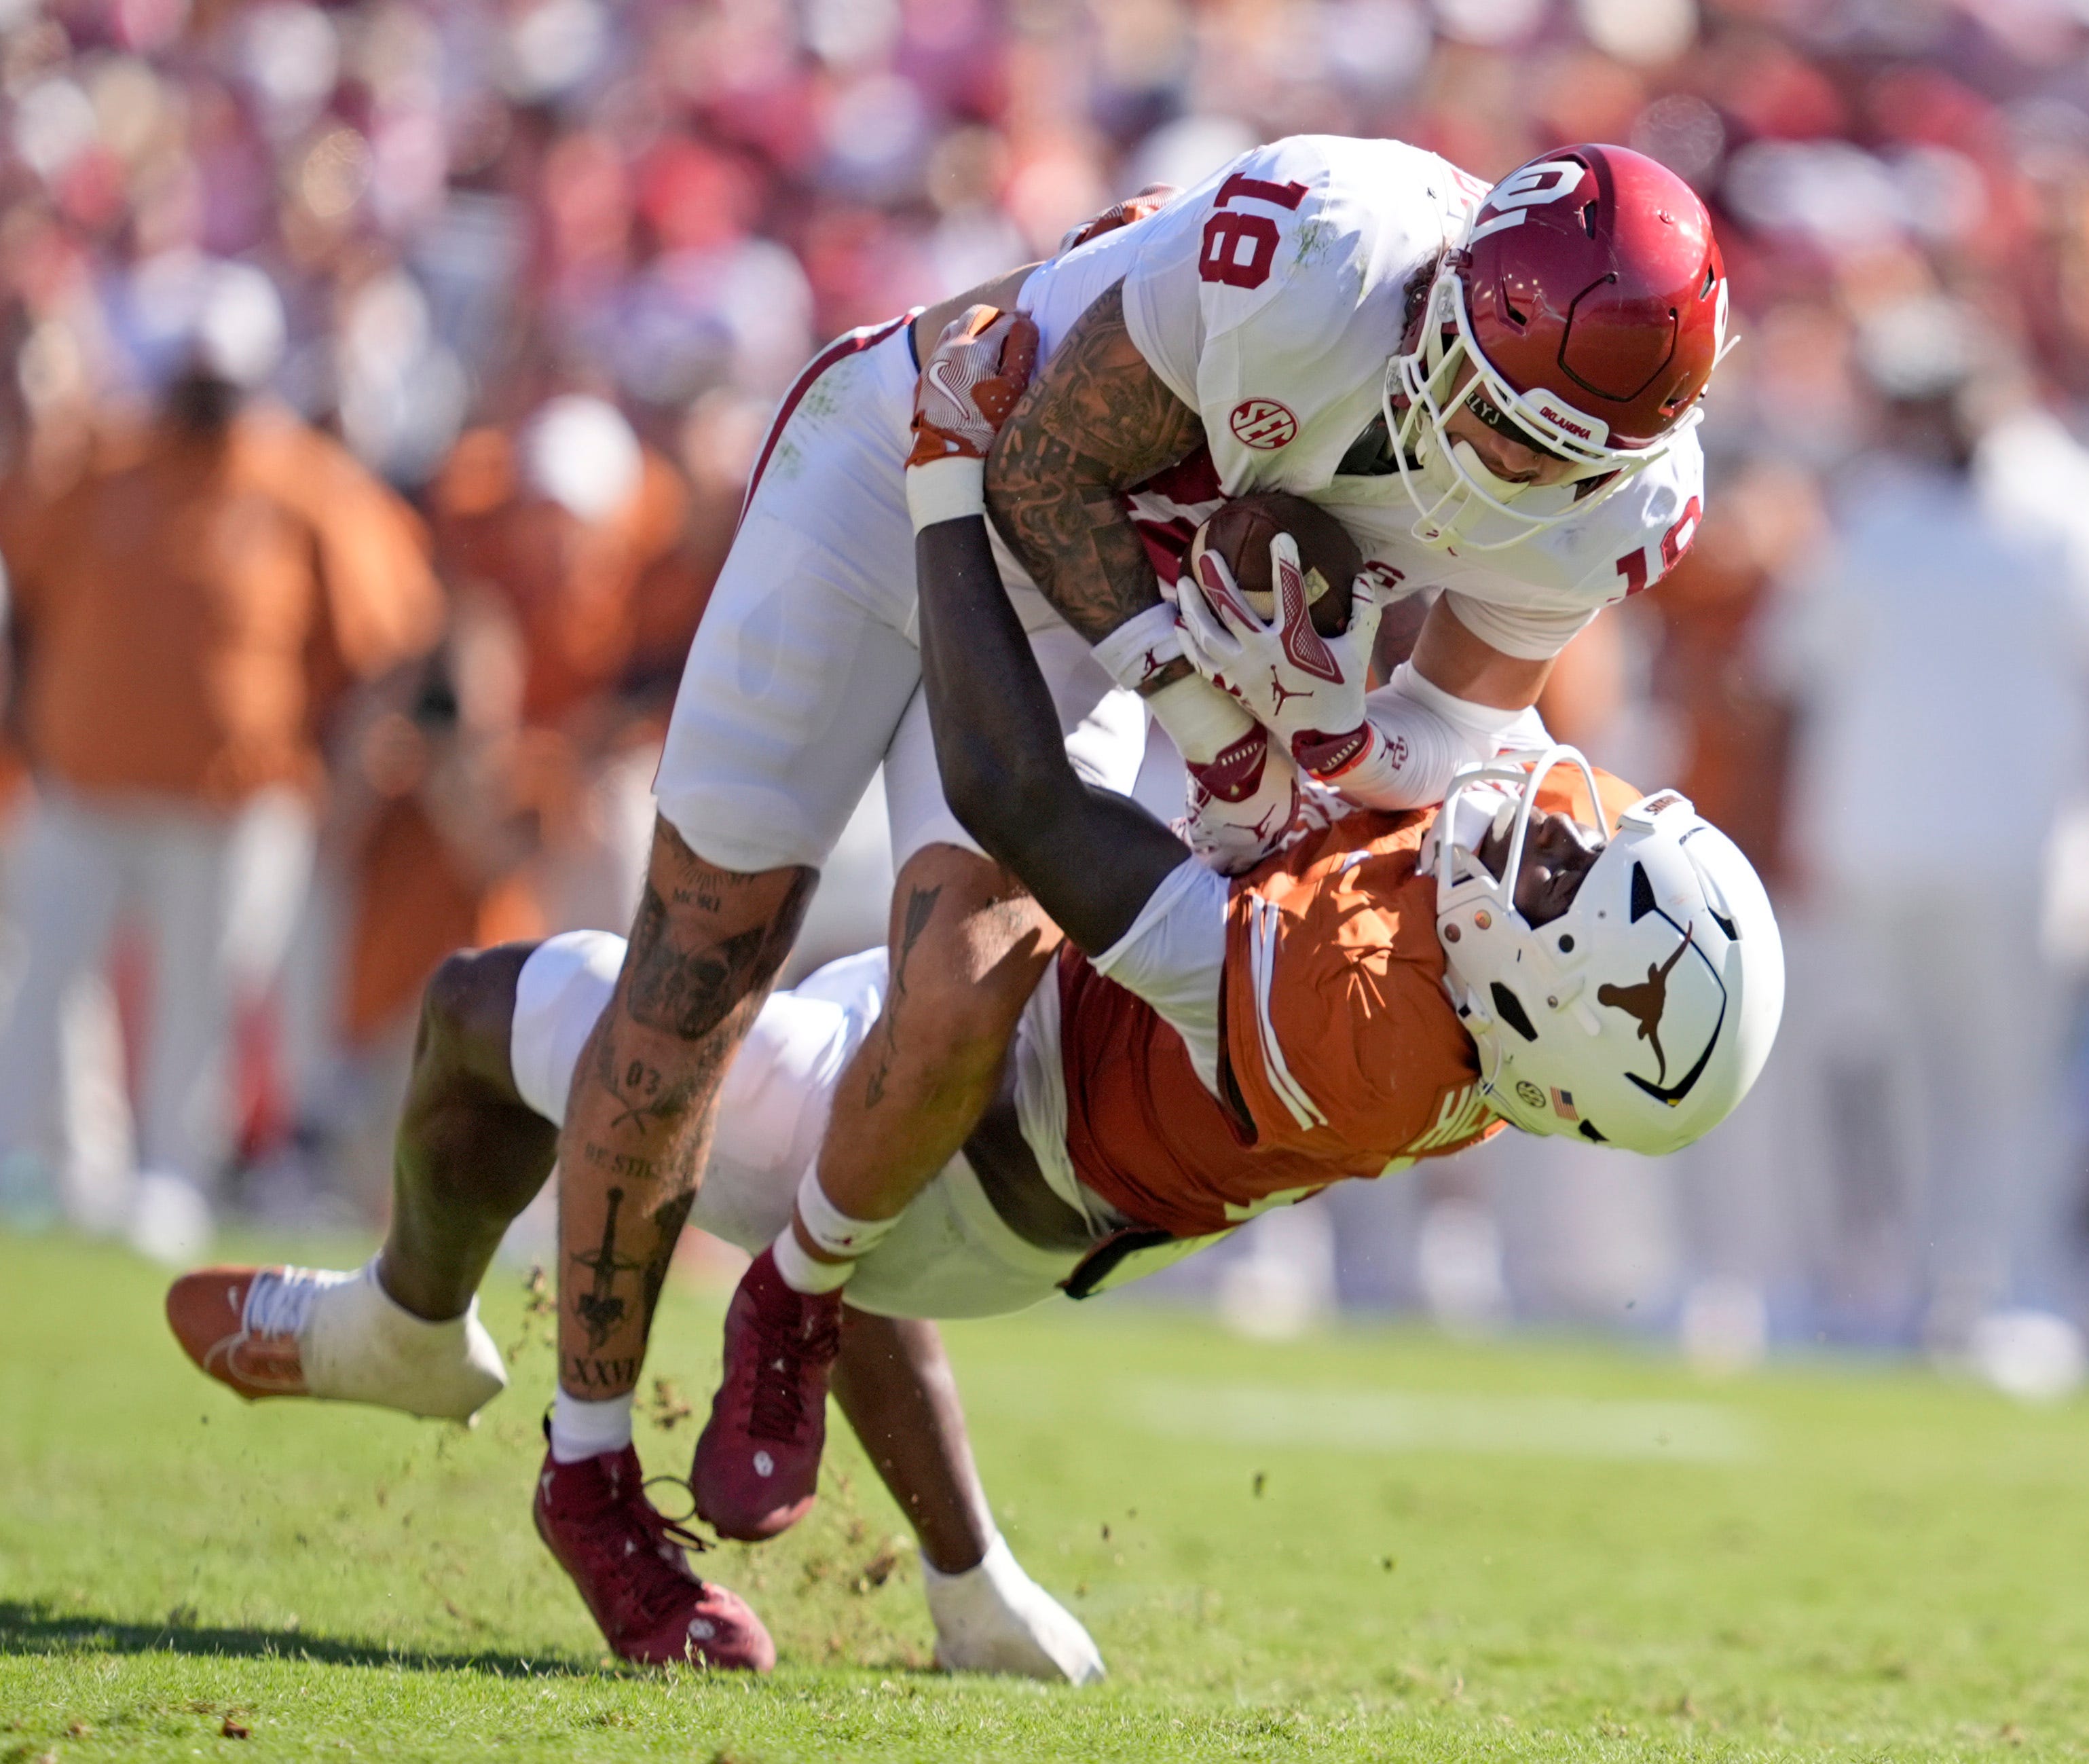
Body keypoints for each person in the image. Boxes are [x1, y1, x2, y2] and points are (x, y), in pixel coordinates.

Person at [164, 307, 1783, 1674]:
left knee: (503, 1016)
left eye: (1576, 883)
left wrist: (955, 493)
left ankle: (397, 1324)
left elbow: (1024, 802)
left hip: (991, 1158)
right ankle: (968, 1583)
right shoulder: (1463, 990)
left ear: (1561, 1011)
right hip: (1026, 1147)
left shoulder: (1355, 1018)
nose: (1566, 830)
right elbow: (1361, 775)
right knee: (900, 1101)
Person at [529, 136, 1731, 1606]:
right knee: (699, 961)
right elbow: (1038, 468)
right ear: (1451, 293)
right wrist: (1216, 728)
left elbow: (1440, 743)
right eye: (1493, 411)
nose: (1508, 468)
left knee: (967, 989)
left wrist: (1316, 728)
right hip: (932, 454)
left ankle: (794, 1300)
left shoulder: (1614, 507)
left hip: (1135, 582)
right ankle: (588, 1467)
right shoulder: (1320, 261)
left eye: (1560, 455)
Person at [1756, 295, 2089, 1388]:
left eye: (1927, 396)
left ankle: (2026, 1292)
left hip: (2033, 860)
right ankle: (1919, 1292)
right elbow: (1796, 679)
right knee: (1903, 1087)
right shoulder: (1871, 515)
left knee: (2022, 1089)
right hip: (1883, 853)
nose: (1908, 419)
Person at [0, 259, 441, 1255]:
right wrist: (30, 716)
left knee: (202, 995)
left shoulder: (301, 482)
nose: (204, 398)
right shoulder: (100, 467)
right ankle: (57, 1167)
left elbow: (397, 629)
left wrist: (346, 759)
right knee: (45, 978)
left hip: (232, 795)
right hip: (83, 782)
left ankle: (171, 1177)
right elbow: (21, 587)